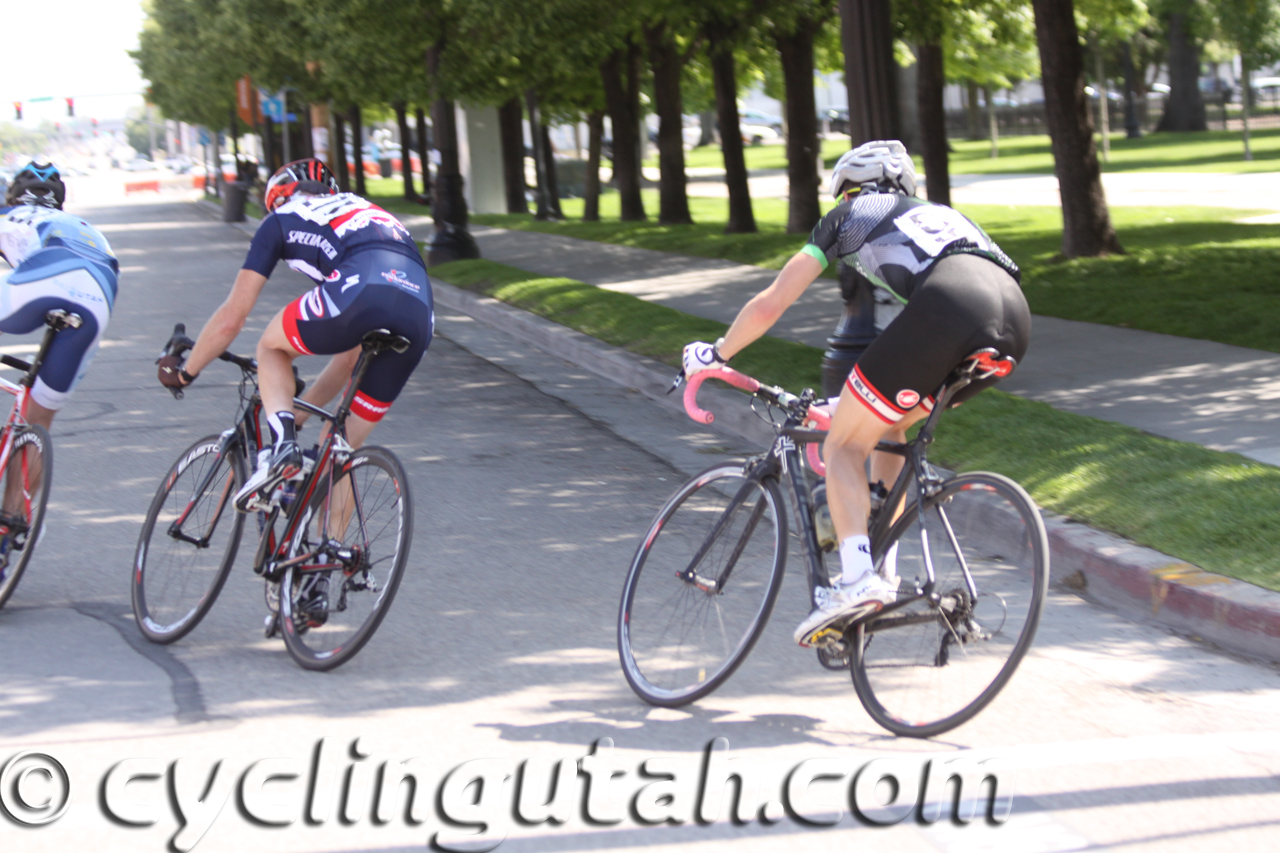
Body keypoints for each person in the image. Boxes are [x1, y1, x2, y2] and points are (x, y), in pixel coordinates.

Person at [680, 140, 1029, 647]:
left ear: (849, 190)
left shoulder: (850, 215)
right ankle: (884, 571)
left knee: (842, 446)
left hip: (950, 304)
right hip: (1012, 322)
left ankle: (857, 581)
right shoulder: (939, 215)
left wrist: (718, 353)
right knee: (889, 424)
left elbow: (772, 301)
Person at [157, 158, 434, 511]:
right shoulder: (364, 210)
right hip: (420, 309)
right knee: (338, 450)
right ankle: (326, 558)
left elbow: (232, 317)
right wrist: (300, 413)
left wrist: (184, 373)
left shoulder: (281, 219)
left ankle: (282, 448)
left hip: (363, 286)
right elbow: (350, 357)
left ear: (278, 198)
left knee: (271, 347)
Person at [0, 161, 119, 428]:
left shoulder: (9, 215)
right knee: (38, 420)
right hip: (98, 295)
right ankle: (32, 442)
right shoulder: (86, 227)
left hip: (45, 276)